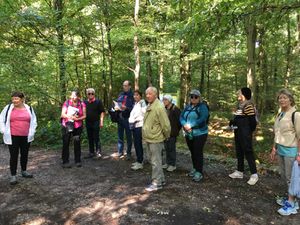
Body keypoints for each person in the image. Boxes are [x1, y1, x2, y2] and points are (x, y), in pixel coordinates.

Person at [270, 89, 300, 216]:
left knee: (291, 178)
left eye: (284, 98)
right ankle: (291, 198)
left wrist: (299, 154)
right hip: (281, 149)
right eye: (280, 98)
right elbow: (277, 132)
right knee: (284, 176)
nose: (282, 100)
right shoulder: (280, 113)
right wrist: (274, 148)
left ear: (290, 99)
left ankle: (292, 204)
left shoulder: (296, 114)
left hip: (291, 151)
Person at [0, 91, 37, 185]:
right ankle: (13, 175)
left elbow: (33, 121)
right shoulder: (8, 108)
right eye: (12, 99)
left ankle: (24, 171)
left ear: (22, 99)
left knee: (24, 154)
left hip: (26, 136)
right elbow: (1, 119)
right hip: (12, 136)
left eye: (16, 99)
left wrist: (32, 132)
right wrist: (3, 130)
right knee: (14, 155)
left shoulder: (29, 108)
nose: (14, 101)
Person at [228, 87, 258, 185]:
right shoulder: (240, 105)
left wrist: (248, 132)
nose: (237, 94)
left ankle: (254, 174)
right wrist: (232, 122)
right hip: (238, 132)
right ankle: (239, 171)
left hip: (245, 133)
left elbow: (252, 122)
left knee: (248, 152)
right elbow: (239, 118)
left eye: (239, 93)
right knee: (239, 151)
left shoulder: (248, 105)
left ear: (243, 95)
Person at [143, 87, 171, 192]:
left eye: (150, 94)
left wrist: (166, 136)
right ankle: (161, 179)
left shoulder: (159, 107)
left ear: (155, 94)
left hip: (156, 138)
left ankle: (156, 183)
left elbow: (166, 125)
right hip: (150, 138)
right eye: (146, 94)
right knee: (154, 160)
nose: (148, 96)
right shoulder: (150, 105)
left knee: (155, 161)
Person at [180, 90, 208, 182]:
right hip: (189, 133)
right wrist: (184, 125)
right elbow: (181, 117)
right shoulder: (188, 107)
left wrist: (190, 125)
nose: (193, 98)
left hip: (200, 133)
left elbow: (203, 118)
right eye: (192, 96)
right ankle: (195, 168)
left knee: (197, 152)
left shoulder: (202, 107)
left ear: (199, 98)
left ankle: (199, 172)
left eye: (196, 97)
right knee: (192, 151)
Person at [61, 90, 86, 168]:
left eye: (74, 96)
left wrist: (77, 119)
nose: (72, 97)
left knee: (77, 142)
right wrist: (70, 117)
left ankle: (77, 160)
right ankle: (65, 161)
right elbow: (62, 114)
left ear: (78, 97)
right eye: (71, 95)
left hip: (77, 126)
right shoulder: (67, 103)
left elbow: (85, 116)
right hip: (67, 125)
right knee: (66, 142)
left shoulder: (82, 104)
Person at [115, 80, 134, 159]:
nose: (124, 87)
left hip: (128, 118)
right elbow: (118, 103)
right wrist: (116, 107)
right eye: (123, 85)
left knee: (129, 136)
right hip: (120, 118)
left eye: (126, 85)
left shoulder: (133, 96)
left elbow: (134, 108)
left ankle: (129, 153)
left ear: (129, 86)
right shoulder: (121, 94)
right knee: (120, 136)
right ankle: (120, 151)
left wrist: (126, 108)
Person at [162, 94, 181, 172]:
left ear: (169, 101)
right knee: (166, 148)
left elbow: (179, 122)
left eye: (165, 100)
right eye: (163, 100)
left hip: (172, 133)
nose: (164, 101)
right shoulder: (165, 108)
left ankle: (172, 164)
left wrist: (176, 130)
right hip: (165, 132)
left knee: (171, 148)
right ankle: (168, 162)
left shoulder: (175, 109)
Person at [84, 88, 105, 159]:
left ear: (94, 94)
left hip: (96, 122)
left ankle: (98, 152)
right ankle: (91, 152)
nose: (90, 95)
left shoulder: (98, 101)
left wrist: (101, 121)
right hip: (88, 122)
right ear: (87, 94)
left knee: (96, 137)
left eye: (92, 93)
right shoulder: (84, 102)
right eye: (89, 93)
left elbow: (102, 112)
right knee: (90, 137)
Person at [129, 90, 147, 170]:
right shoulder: (136, 104)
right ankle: (138, 160)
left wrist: (136, 120)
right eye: (134, 95)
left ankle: (140, 162)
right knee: (136, 144)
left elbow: (144, 114)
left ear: (140, 96)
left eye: (137, 95)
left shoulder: (142, 103)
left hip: (139, 126)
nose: (135, 96)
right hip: (134, 126)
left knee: (138, 144)